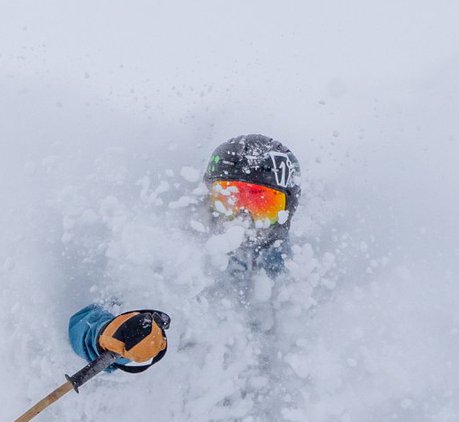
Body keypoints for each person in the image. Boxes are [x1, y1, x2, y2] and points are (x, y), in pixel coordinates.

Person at [68, 133, 302, 370]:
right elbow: (83, 321)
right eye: (229, 200)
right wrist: (107, 333)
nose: (243, 218)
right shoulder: (177, 251)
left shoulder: (295, 268)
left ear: (287, 212)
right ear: (208, 197)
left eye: (262, 205)